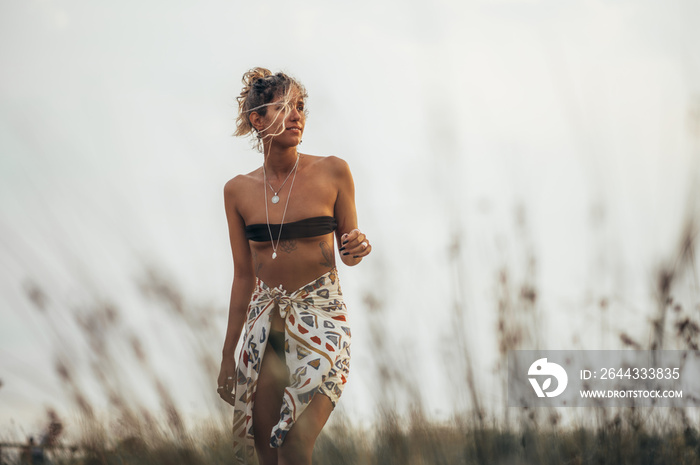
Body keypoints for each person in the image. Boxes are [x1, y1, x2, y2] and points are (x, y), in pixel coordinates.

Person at [217, 68, 372, 465]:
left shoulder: (334, 172)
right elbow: (243, 277)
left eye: (300, 107)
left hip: (323, 320)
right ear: (258, 119)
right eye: (284, 107)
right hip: (265, 326)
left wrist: (358, 245)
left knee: (296, 443)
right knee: (266, 449)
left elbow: (349, 252)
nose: (296, 115)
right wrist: (227, 356)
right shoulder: (237, 191)